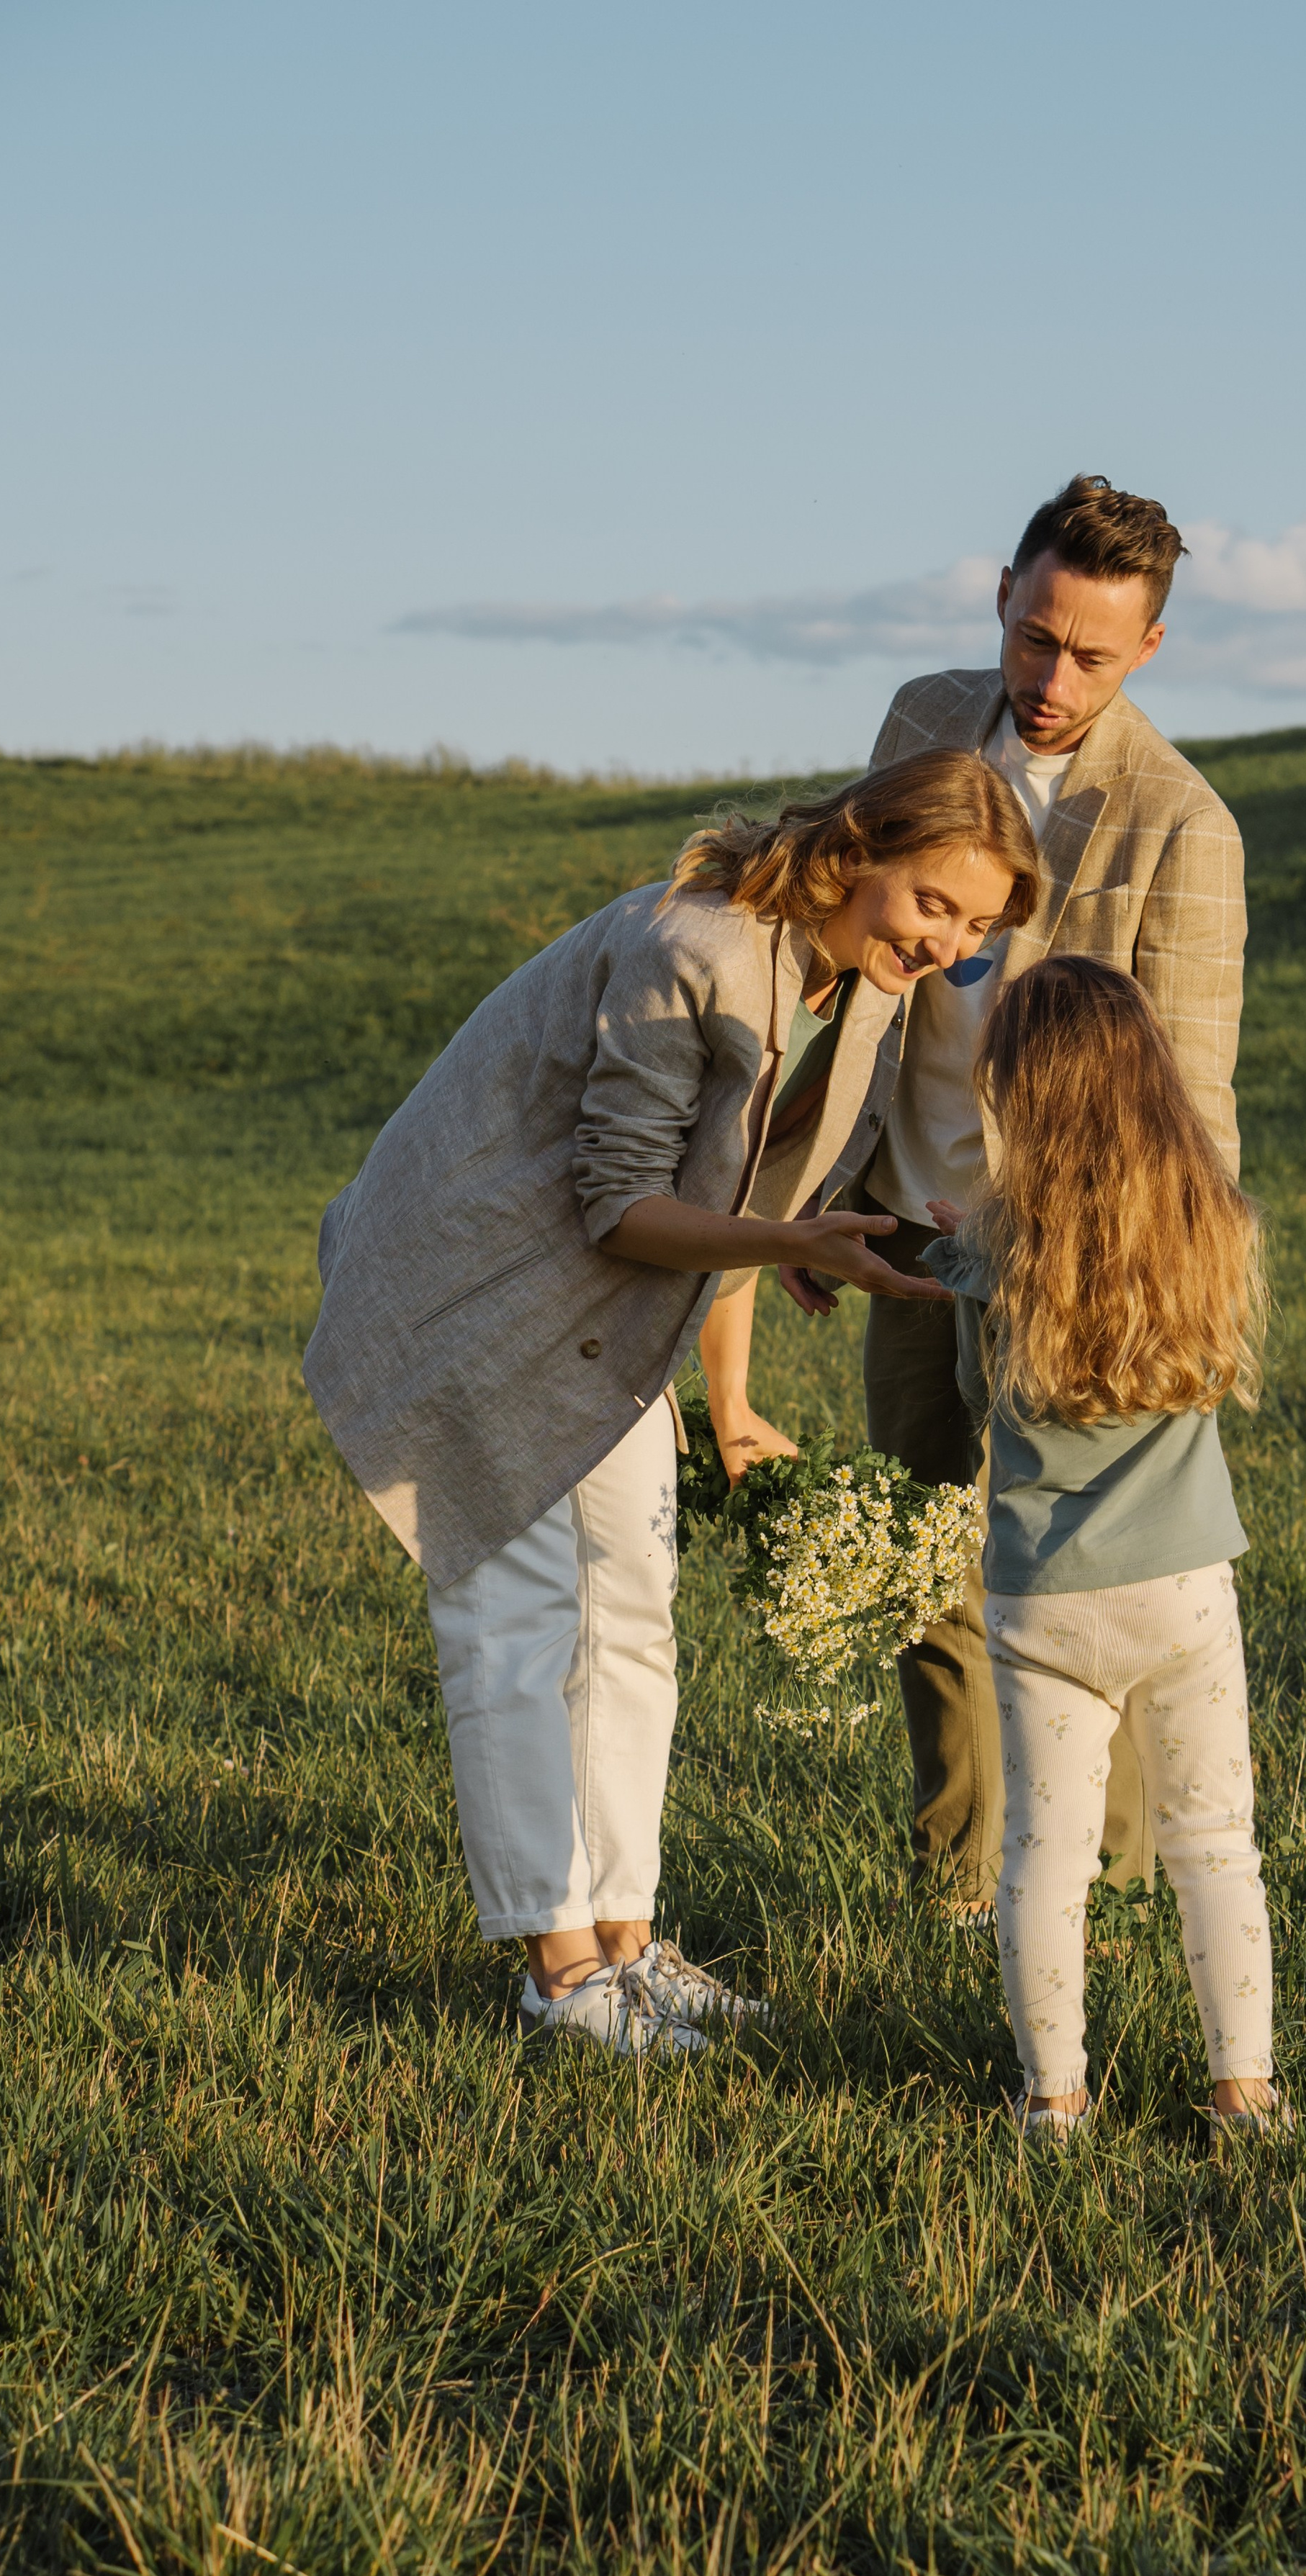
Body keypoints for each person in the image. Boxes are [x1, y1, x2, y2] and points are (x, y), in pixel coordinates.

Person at [304, 753, 1038, 2055]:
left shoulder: (856, 987)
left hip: (615, 1308)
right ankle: (558, 1975)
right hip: (484, 1286)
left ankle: (630, 1949)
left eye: (977, 926)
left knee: (634, 1611)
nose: (948, 942)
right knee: (519, 1620)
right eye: (935, 902)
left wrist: (736, 1397)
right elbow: (626, 1204)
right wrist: (804, 1251)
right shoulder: (687, 945)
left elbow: (742, 1196)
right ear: (859, 849)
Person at [850, 474, 1248, 1917]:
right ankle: (959, 1887)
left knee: (1084, 1596)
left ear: (1146, 648)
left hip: (1063, 1276)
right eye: (1033, 637)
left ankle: (1109, 1891)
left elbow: (1189, 1109)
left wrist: (1161, 1305)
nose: (1050, 677)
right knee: (917, 1562)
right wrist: (806, 1196)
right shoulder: (913, 724)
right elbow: (851, 965)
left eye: (1089, 652)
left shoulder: (1179, 828)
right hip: (898, 1220)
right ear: (1001, 599)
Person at [922, 955, 1284, 2143]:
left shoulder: (994, 1244)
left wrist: (960, 1259)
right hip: (1182, 1591)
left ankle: (1053, 2103)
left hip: (1040, 1604)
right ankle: (1243, 2092)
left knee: (1041, 1862)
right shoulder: (1209, 1218)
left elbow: (980, 1394)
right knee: (1214, 1845)